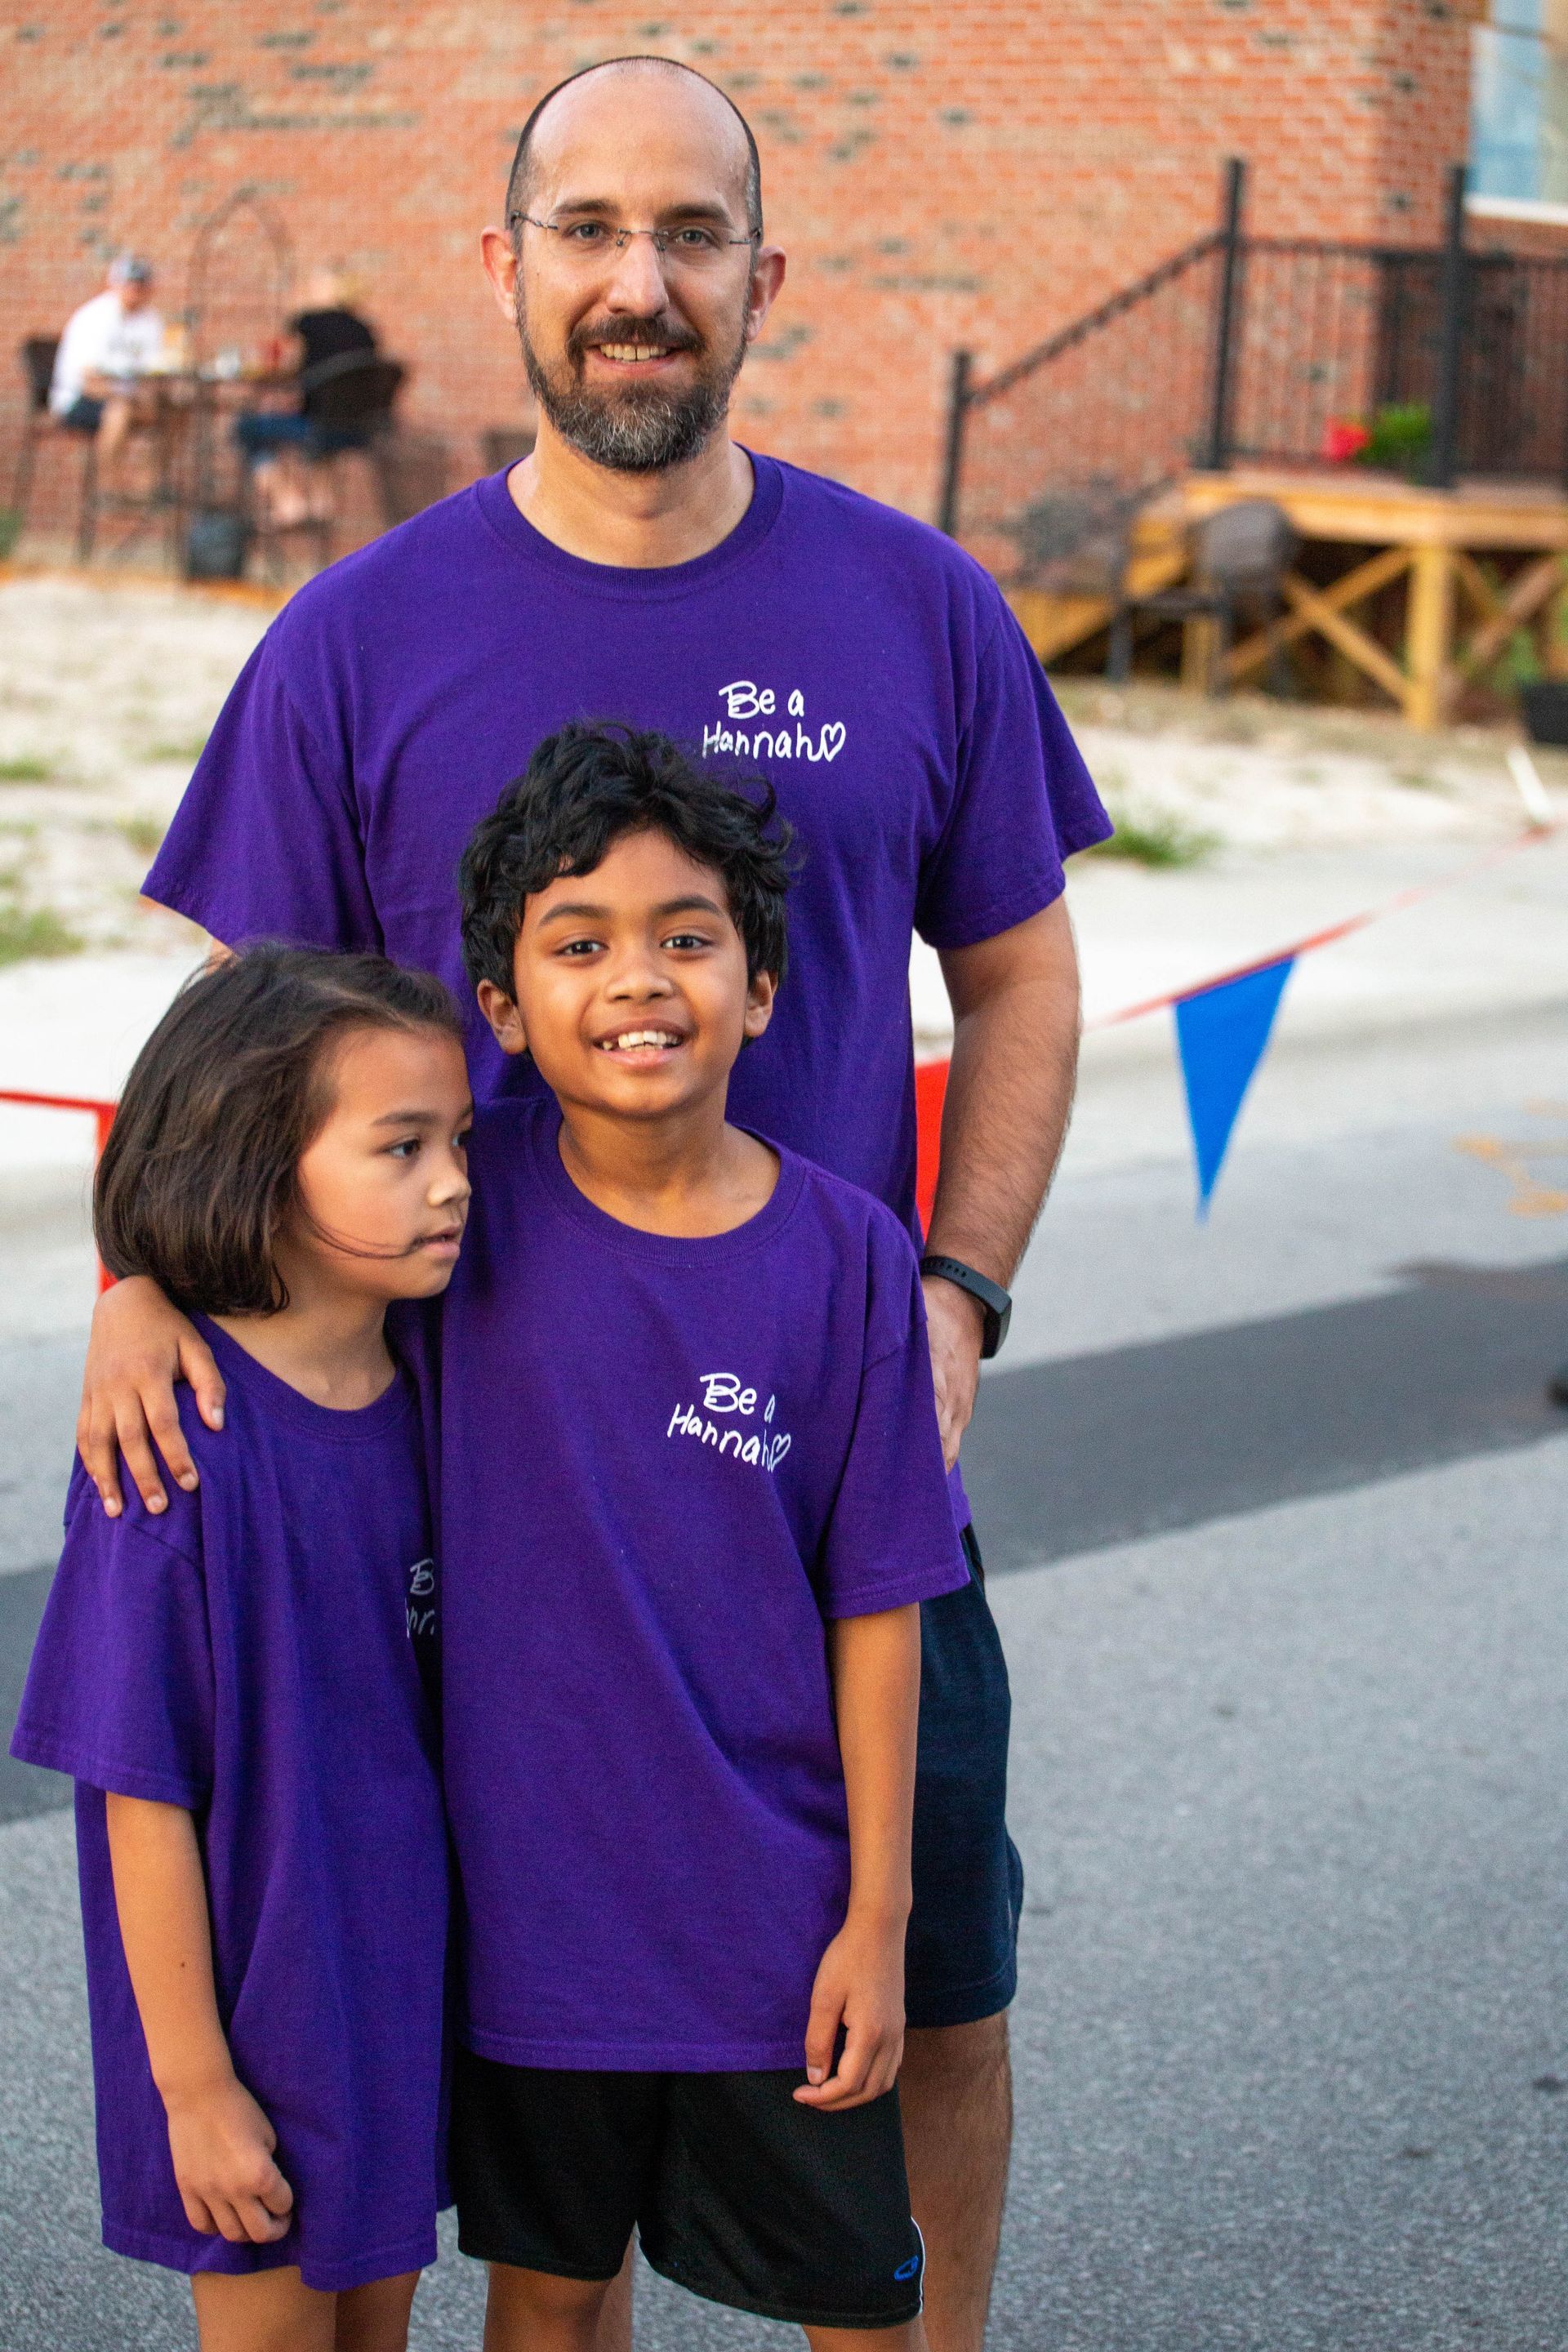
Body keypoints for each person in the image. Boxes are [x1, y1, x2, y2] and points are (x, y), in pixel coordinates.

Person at [77, 54, 1110, 2352]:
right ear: (506, 267)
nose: (639, 286)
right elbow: (235, 1046)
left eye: (689, 237)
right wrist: (144, 1276)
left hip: (835, 1458)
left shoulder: (916, 606)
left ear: (765, 273)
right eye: (587, 233)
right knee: (555, 2087)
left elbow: (1026, 973)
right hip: (479, 1493)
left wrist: (956, 1301)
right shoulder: (357, 641)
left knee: (938, 1988)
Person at [447, 724, 968, 2347]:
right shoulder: (452, 1209)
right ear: (501, 1006)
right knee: (546, 2303)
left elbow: (881, 1607)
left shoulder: (851, 1259)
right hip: (530, 1923)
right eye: (577, 942)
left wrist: (876, 1921)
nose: (637, 981)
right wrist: (139, 1310)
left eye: (687, 938)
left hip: (775, 1920)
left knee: (859, 2306)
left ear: (759, 987)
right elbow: (221, 1196)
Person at [12, 949, 472, 2352]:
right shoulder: (169, 1443)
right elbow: (139, 1794)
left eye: (457, 1140)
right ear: (260, 1165)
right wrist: (194, 2086)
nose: (452, 1180)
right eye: (401, 1147)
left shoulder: (448, 1389)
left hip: (402, 1980)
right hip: (246, 2012)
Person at [234, 268, 382, 529]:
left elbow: (285, 362)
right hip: (358, 430)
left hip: (316, 429)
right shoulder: (366, 330)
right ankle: (320, 503)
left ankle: (287, 500)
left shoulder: (309, 322)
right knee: (319, 432)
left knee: (247, 428)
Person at [50, 253, 167, 479]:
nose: (135, 291)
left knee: (170, 413)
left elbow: (154, 372)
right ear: (115, 284)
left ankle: (151, 487)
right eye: (130, 285)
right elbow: (89, 380)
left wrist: (141, 396)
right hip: (76, 398)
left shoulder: (150, 320)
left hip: (127, 397)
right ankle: (107, 493)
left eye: (141, 285)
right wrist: (129, 396)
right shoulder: (95, 317)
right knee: (119, 412)